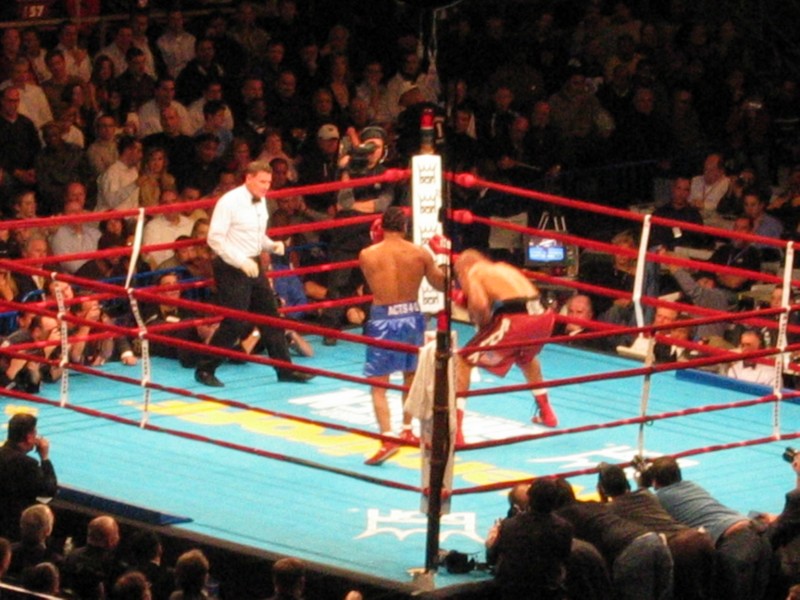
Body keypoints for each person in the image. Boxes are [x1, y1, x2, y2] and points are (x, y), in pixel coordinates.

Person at [194, 160, 313, 387]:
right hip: (231, 266)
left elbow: (254, 234)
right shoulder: (228, 202)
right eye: (262, 181)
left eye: (268, 182)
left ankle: (285, 370)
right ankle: (205, 368)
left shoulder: (261, 200)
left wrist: (269, 245)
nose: (266, 186)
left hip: (254, 263)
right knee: (235, 321)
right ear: (248, 178)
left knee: (270, 317)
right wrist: (240, 261)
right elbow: (215, 239)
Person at [358, 207, 446, 465]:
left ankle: (388, 438)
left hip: (383, 318)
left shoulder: (367, 254)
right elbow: (442, 284)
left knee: (379, 385)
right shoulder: (420, 253)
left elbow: (373, 281)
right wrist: (442, 258)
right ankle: (407, 429)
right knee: (410, 377)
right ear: (405, 227)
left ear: (381, 227)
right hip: (413, 317)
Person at [453, 249, 558, 444]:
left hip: (517, 320)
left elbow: (481, 305)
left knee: (465, 358)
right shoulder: (502, 267)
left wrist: (478, 320)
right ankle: (547, 413)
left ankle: (456, 430)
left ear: (463, 267)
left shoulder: (473, 272)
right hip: (544, 316)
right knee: (525, 357)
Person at [647, 455, 773, 600]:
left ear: (654, 481)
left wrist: (643, 482)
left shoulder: (659, 499)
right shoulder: (692, 486)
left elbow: (641, 504)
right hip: (756, 532)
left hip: (736, 543)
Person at [596, 462, 715, 600]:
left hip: (677, 547)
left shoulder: (609, 511)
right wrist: (641, 469)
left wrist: (602, 495)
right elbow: (643, 483)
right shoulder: (645, 494)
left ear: (602, 489)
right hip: (699, 537)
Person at [485, 477, 574, 599]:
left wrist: (490, 545)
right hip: (547, 591)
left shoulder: (509, 525)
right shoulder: (564, 528)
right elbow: (564, 559)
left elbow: (492, 559)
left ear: (530, 499)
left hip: (513, 591)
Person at [0, 413, 58, 539]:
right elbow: (49, 491)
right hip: (13, 528)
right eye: (35, 434)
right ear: (29, 437)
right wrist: (45, 458)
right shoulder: (28, 464)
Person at [61, 515, 122, 600]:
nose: (118, 537)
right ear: (110, 540)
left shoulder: (71, 556)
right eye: (117, 533)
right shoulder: (111, 567)